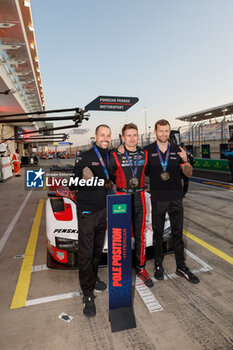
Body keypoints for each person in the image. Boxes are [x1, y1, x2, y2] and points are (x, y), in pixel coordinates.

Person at [145, 119, 200, 284]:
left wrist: (185, 160)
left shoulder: (178, 150)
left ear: (169, 132)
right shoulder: (148, 151)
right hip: (158, 199)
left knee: (177, 235)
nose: (164, 134)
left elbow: (188, 173)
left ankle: (181, 266)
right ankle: (158, 265)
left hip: (175, 198)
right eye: (161, 131)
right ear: (155, 132)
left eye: (166, 131)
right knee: (158, 234)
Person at [74, 124, 112, 317]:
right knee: (86, 253)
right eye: (102, 135)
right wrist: (81, 176)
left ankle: (94, 277)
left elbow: (110, 178)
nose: (105, 138)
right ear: (95, 136)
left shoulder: (110, 156)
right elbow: (73, 181)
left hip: (103, 210)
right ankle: (87, 293)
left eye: (108, 135)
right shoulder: (85, 156)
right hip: (87, 212)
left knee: (98, 250)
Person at [110, 123, 154, 288]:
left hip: (140, 197)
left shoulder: (145, 154)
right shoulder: (114, 154)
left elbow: (154, 173)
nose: (132, 138)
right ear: (123, 137)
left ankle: (140, 268)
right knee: (120, 236)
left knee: (140, 234)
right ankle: (121, 270)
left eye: (134, 135)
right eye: (128, 135)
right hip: (121, 197)